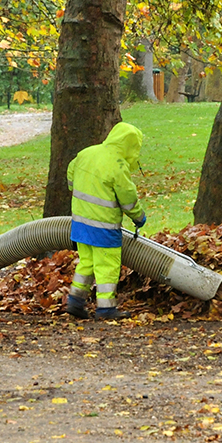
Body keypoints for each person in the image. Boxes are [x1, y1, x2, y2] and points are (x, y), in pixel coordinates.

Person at [64, 122, 147, 320]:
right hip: (104, 228)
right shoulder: (117, 165)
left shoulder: (86, 153)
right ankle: (106, 308)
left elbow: (70, 176)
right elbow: (127, 197)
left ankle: (75, 301)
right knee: (107, 266)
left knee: (86, 263)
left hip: (80, 223)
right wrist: (138, 217)